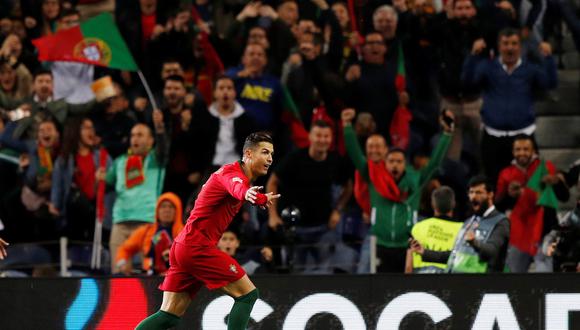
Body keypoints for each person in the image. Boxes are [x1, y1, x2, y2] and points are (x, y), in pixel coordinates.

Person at [135, 132, 280, 330]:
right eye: (265, 152)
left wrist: (259, 198)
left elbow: (238, 190)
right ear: (248, 153)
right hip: (197, 247)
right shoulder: (233, 175)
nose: (270, 158)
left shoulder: (232, 175)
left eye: (271, 153)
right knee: (247, 295)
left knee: (169, 315)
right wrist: (247, 194)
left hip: (183, 246)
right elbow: (236, 187)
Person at [342, 108, 453, 273]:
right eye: (391, 161)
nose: (395, 164)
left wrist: (447, 134)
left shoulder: (416, 180)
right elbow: (355, 155)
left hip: (407, 246)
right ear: (385, 163)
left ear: (405, 164)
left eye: (399, 161)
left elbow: (435, 162)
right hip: (380, 244)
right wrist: (347, 127)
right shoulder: (374, 178)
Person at [461, 28, 557, 181]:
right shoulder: (487, 67)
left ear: (520, 46)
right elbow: (467, 84)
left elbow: (550, 84)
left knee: (530, 186)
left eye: (514, 43)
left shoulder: (530, 69)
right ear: (499, 46)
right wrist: (473, 56)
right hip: (493, 137)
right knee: (493, 182)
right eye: (505, 43)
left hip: (524, 137)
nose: (510, 48)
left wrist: (548, 58)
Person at [99, 113, 169, 273]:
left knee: (145, 272)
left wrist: (160, 130)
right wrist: (100, 178)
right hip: (120, 223)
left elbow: (164, 148)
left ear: (151, 141)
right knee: (118, 273)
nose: (135, 139)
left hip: (146, 222)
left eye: (140, 135)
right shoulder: (120, 162)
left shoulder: (156, 160)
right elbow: (106, 184)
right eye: (132, 135)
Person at [495, 135, 568, 272]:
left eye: (526, 149)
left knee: (545, 276)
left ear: (533, 151)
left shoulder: (546, 168)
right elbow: (498, 205)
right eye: (518, 149)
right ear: (512, 152)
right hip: (519, 235)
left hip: (545, 232)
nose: (522, 153)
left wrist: (557, 183)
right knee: (514, 281)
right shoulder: (506, 174)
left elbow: (564, 197)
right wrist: (509, 196)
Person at [411, 176, 510, 273]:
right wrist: (425, 252)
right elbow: (454, 255)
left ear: (490, 194)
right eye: (471, 192)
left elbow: (491, 252)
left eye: (479, 192)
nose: (474, 196)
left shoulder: (500, 222)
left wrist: (474, 243)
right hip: (462, 282)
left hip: (485, 284)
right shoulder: (469, 222)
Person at [115, 192, 184, 275]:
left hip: (175, 281)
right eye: (163, 206)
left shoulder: (185, 233)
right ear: (157, 210)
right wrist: (122, 264)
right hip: (149, 280)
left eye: (171, 207)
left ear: (178, 210)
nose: (167, 210)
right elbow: (124, 249)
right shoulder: (145, 231)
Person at [406, 186, 463, 273]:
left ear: (433, 204)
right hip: (450, 281)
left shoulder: (418, 227)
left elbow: (408, 265)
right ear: (454, 204)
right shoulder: (463, 229)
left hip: (421, 281)